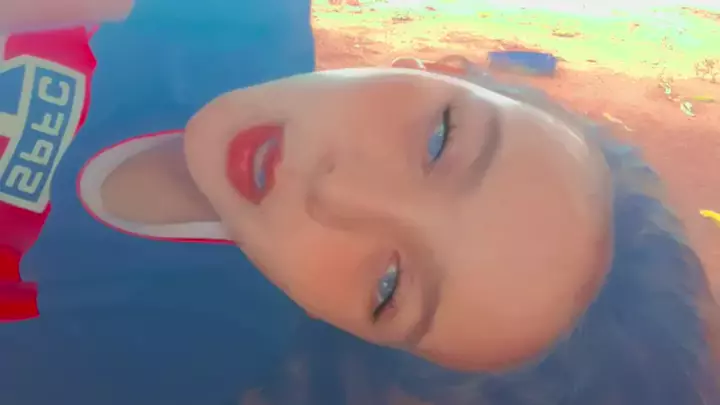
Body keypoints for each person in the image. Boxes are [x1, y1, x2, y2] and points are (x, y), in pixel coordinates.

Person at [73, 63, 720, 404]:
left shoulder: (119, 363)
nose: (334, 194)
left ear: (339, 325)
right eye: (441, 138)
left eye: (388, 287)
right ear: (436, 71)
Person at [0, 0, 316, 404]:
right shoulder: (252, 20)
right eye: (424, 148)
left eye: (386, 286)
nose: (341, 194)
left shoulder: (185, 345)